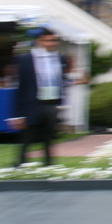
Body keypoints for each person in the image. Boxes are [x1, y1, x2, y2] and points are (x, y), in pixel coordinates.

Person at [8, 29, 71, 166]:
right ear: (40, 41)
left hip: (51, 103)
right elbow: (20, 87)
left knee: (49, 137)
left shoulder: (59, 58)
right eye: (48, 40)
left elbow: (61, 81)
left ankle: (48, 165)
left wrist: (61, 102)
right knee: (28, 137)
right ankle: (20, 165)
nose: (52, 43)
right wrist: (17, 115)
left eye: (54, 40)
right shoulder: (25, 59)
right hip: (32, 103)